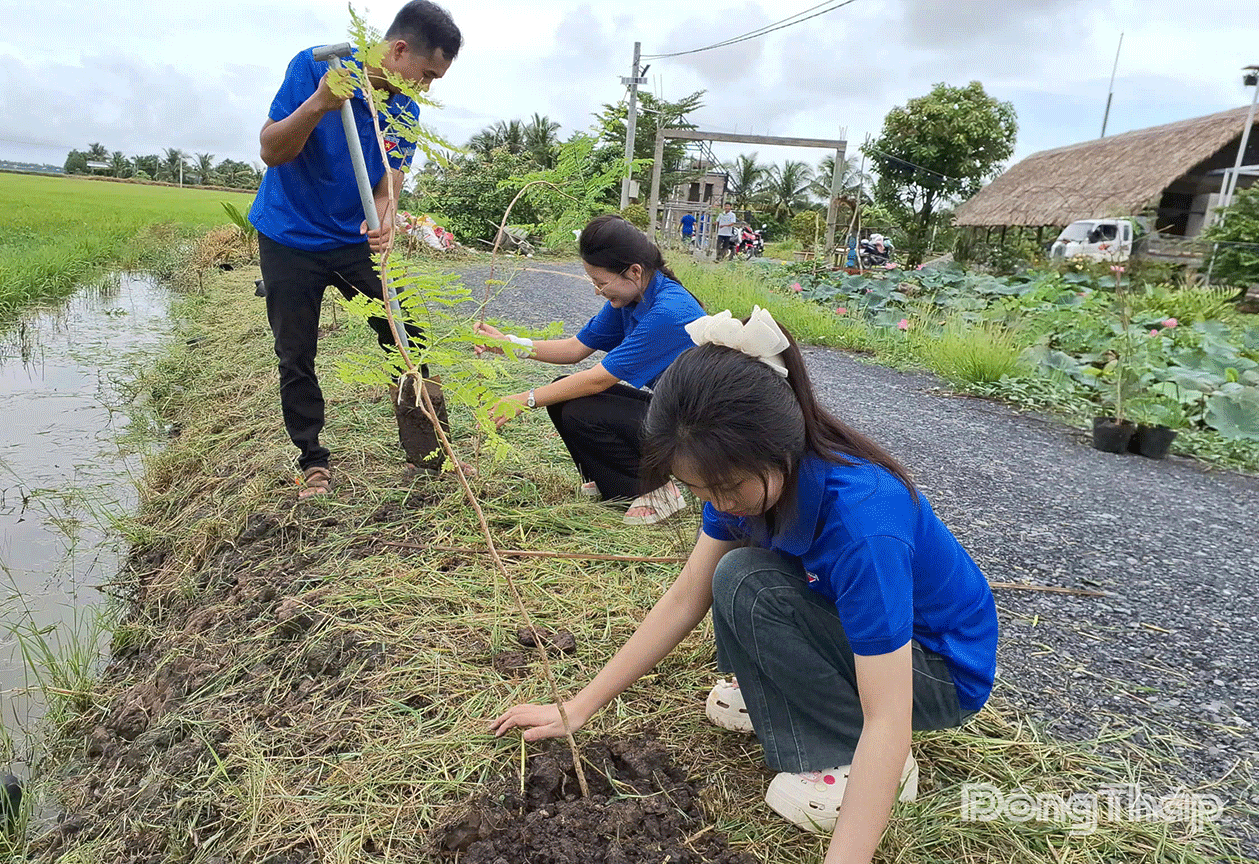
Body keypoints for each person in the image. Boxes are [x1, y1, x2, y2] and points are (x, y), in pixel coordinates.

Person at [492, 306, 999, 853]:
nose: (718, 504)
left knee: (749, 581)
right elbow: (688, 595)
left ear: (782, 448)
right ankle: (789, 696)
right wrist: (579, 706)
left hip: (936, 672)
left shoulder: (865, 525)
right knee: (732, 573)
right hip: (855, 634)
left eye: (727, 488)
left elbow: (888, 716)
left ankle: (846, 757)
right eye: (700, 490)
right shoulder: (737, 484)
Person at [250, 1, 463, 497]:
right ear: (399, 49)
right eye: (425, 74)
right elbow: (271, 149)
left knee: (406, 334)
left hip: (353, 240)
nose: (425, 88)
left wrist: (385, 222)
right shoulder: (314, 67)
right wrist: (321, 103)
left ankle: (427, 453)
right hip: (289, 236)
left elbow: (389, 187)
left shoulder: (404, 107)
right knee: (296, 351)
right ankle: (313, 462)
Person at [473, 215, 704, 525]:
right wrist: (507, 344)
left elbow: (597, 380)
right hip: (673, 414)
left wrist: (523, 400)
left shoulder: (669, 311)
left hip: (699, 431)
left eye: (601, 282)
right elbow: (574, 349)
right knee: (561, 392)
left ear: (634, 271)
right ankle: (605, 477)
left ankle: (657, 492)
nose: (597, 291)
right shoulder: (631, 299)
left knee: (581, 407)